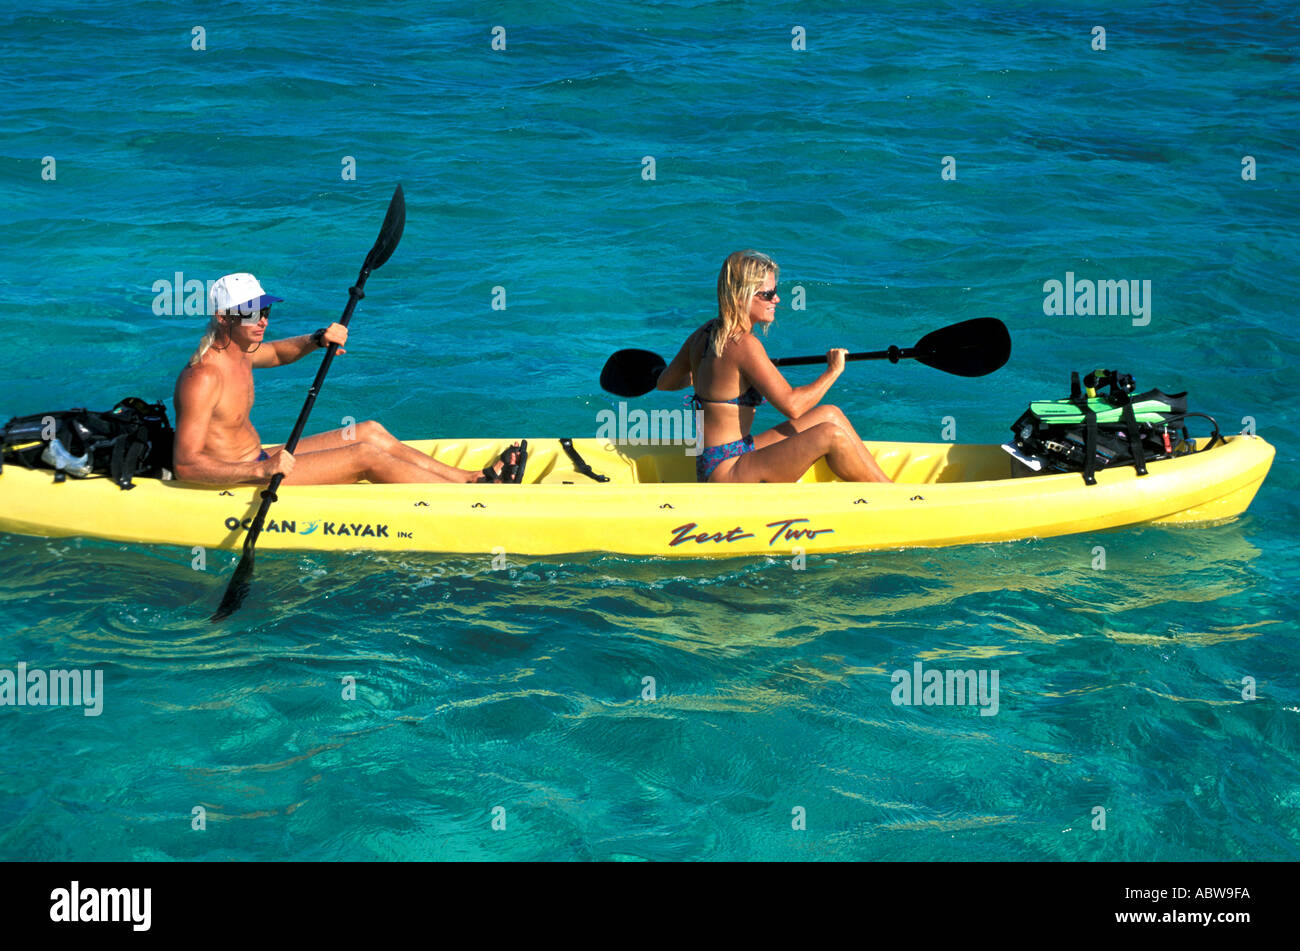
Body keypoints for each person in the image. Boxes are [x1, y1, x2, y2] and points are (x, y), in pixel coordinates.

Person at [173, 272, 524, 485]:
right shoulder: (203, 378)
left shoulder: (242, 351)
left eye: (265, 310)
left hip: (260, 459)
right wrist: (261, 473)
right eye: (251, 313)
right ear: (222, 318)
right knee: (363, 456)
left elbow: (279, 354)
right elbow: (186, 465)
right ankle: (465, 495)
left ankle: (468, 477)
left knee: (368, 430)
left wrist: (317, 339)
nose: (262, 320)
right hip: (244, 477)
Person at [655, 250, 892, 484]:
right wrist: (833, 371)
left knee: (830, 414)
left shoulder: (704, 333)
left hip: (718, 458)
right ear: (741, 296)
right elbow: (793, 406)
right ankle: (891, 499)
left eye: (775, 292)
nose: (776, 299)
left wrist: (707, 377)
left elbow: (665, 382)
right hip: (727, 472)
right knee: (831, 434)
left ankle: (888, 487)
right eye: (767, 294)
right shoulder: (745, 345)